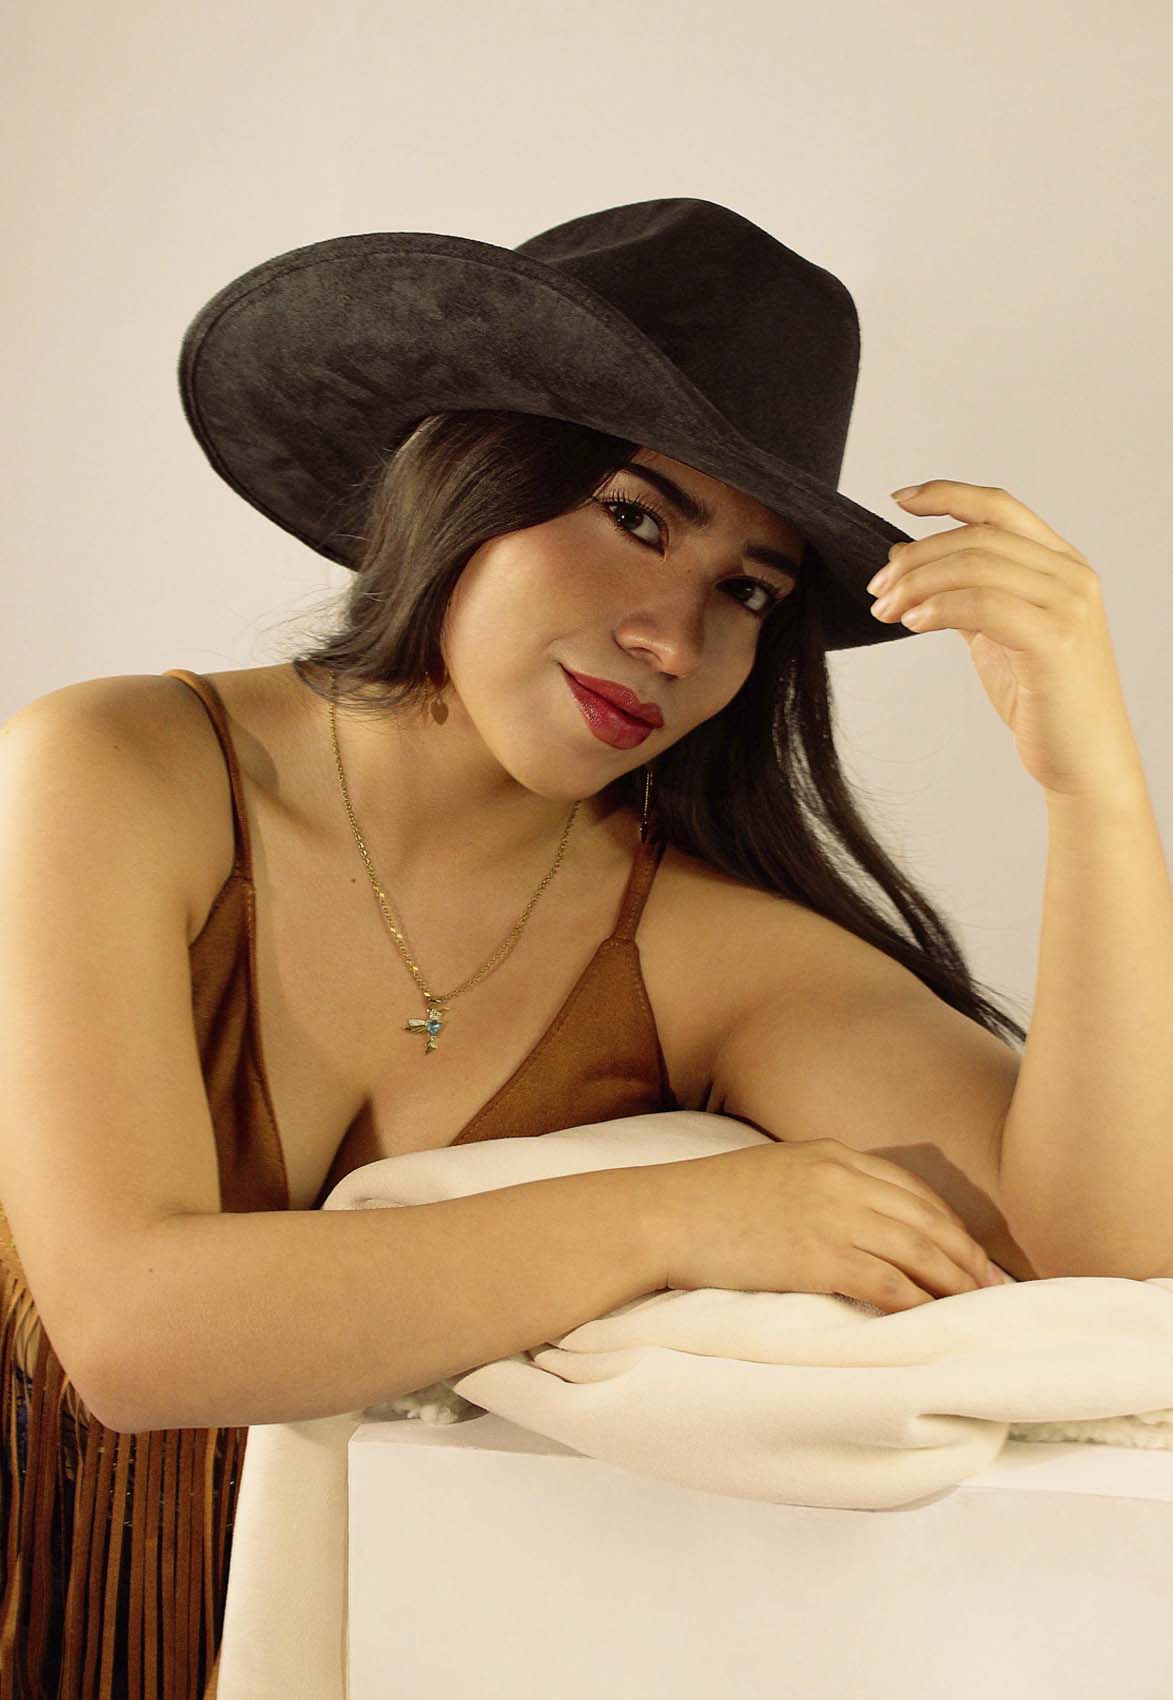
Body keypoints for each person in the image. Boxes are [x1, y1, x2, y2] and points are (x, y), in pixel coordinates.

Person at [0, 198, 1024, 1698]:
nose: (672, 639)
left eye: (746, 592)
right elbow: (135, 1337)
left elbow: (1105, 1248)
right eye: (636, 517)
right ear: (467, 476)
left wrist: (1096, 787)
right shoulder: (118, 768)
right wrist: (681, 1216)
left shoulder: (696, 946)